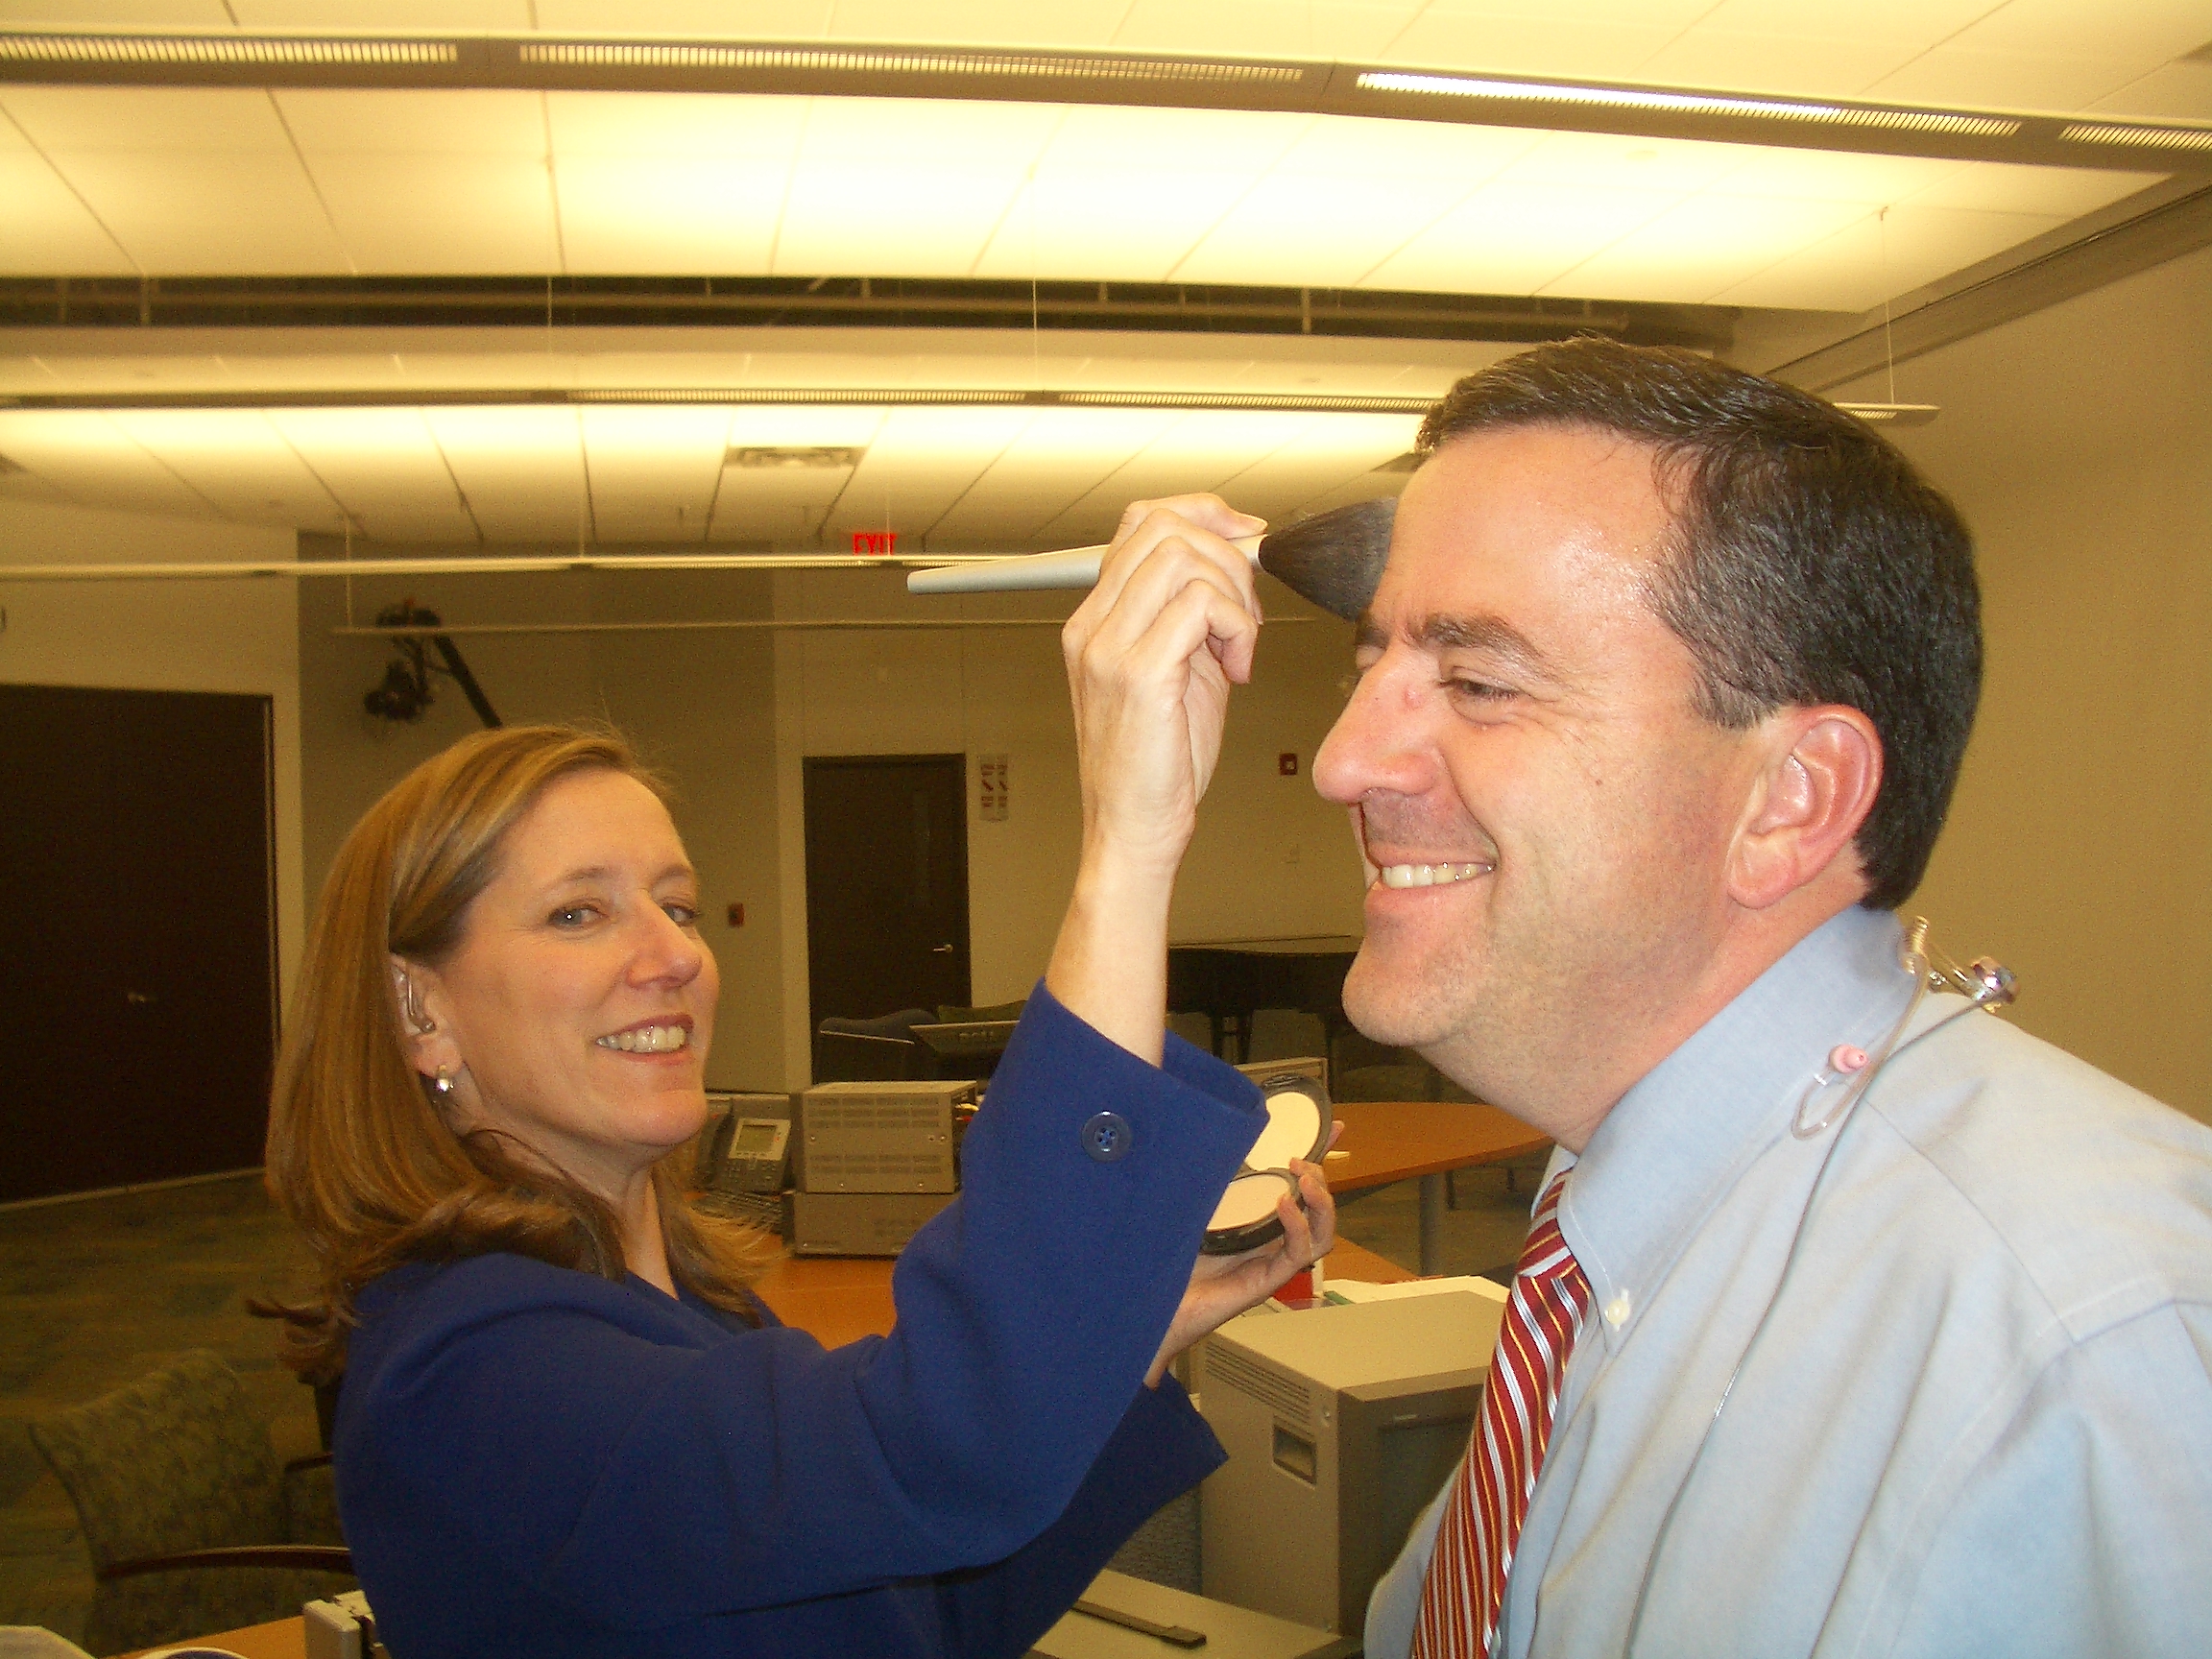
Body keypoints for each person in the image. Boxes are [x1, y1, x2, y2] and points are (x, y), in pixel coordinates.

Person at [263, 497, 1335, 1659]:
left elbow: (926, 1612)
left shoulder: (699, 1310)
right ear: (419, 1010)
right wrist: (1126, 846)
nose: (674, 955)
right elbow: (942, 1448)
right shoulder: (463, 1373)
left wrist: (1131, 1339)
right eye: (578, 913)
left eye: (677, 905)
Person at [1281, 338, 2212, 1658]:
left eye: (1479, 682)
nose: (1342, 761)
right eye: (1369, 666)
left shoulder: (2085, 1347)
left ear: (1791, 801)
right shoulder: (1619, 1205)